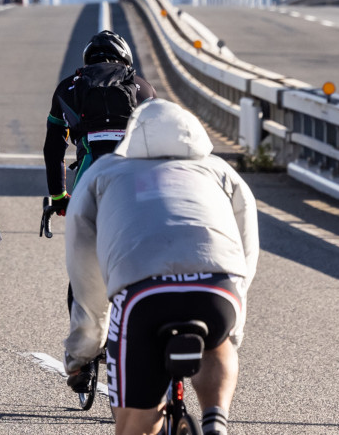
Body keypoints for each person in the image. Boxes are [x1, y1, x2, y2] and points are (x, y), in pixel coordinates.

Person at [64, 99, 258, 435]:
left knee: (132, 422)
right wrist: (233, 324)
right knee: (219, 342)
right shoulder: (220, 170)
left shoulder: (104, 171)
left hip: (144, 292)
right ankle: (215, 420)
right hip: (217, 286)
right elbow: (247, 246)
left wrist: (84, 349)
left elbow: (84, 270)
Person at [45, 30, 156, 216]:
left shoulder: (67, 88)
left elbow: (53, 148)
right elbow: (157, 141)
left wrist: (58, 196)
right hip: (133, 172)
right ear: (125, 59)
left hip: (90, 168)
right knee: (146, 223)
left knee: (81, 228)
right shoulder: (145, 88)